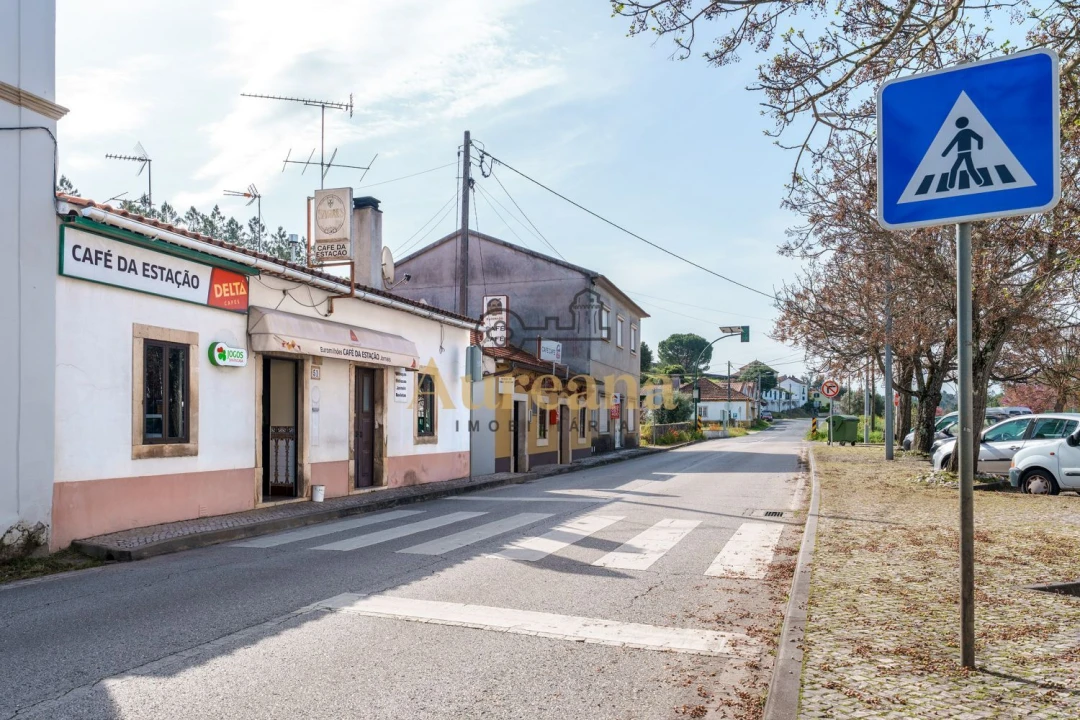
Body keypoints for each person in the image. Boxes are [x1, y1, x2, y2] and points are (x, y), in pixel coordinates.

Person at [942, 117, 985, 189]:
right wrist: (944, 153)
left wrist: (980, 147)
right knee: (967, 168)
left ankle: (951, 185)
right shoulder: (963, 132)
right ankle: (979, 182)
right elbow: (952, 143)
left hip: (965, 153)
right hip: (962, 153)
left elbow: (979, 138)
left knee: (957, 169)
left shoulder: (967, 132)